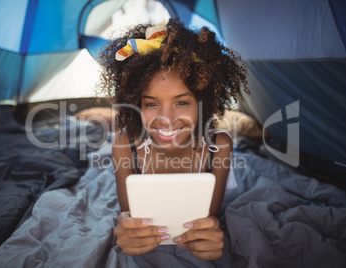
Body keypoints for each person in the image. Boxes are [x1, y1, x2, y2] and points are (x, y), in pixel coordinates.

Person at [98, 18, 249, 261]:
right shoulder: (124, 145)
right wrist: (127, 231)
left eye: (182, 102)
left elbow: (208, 219)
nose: (166, 119)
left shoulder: (219, 146)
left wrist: (209, 236)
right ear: (136, 104)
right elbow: (129, 217)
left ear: (203, 103)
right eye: (151, 104)